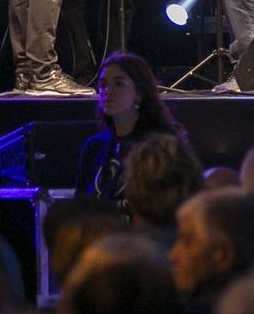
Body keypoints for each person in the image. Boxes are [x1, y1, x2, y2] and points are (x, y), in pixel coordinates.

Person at [75, 51, 186, 205]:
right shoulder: (95, 146)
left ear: (139, 93)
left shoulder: (162, 147)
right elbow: (81, 205)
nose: (107, 91)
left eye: (119, 83)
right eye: (103, 84)